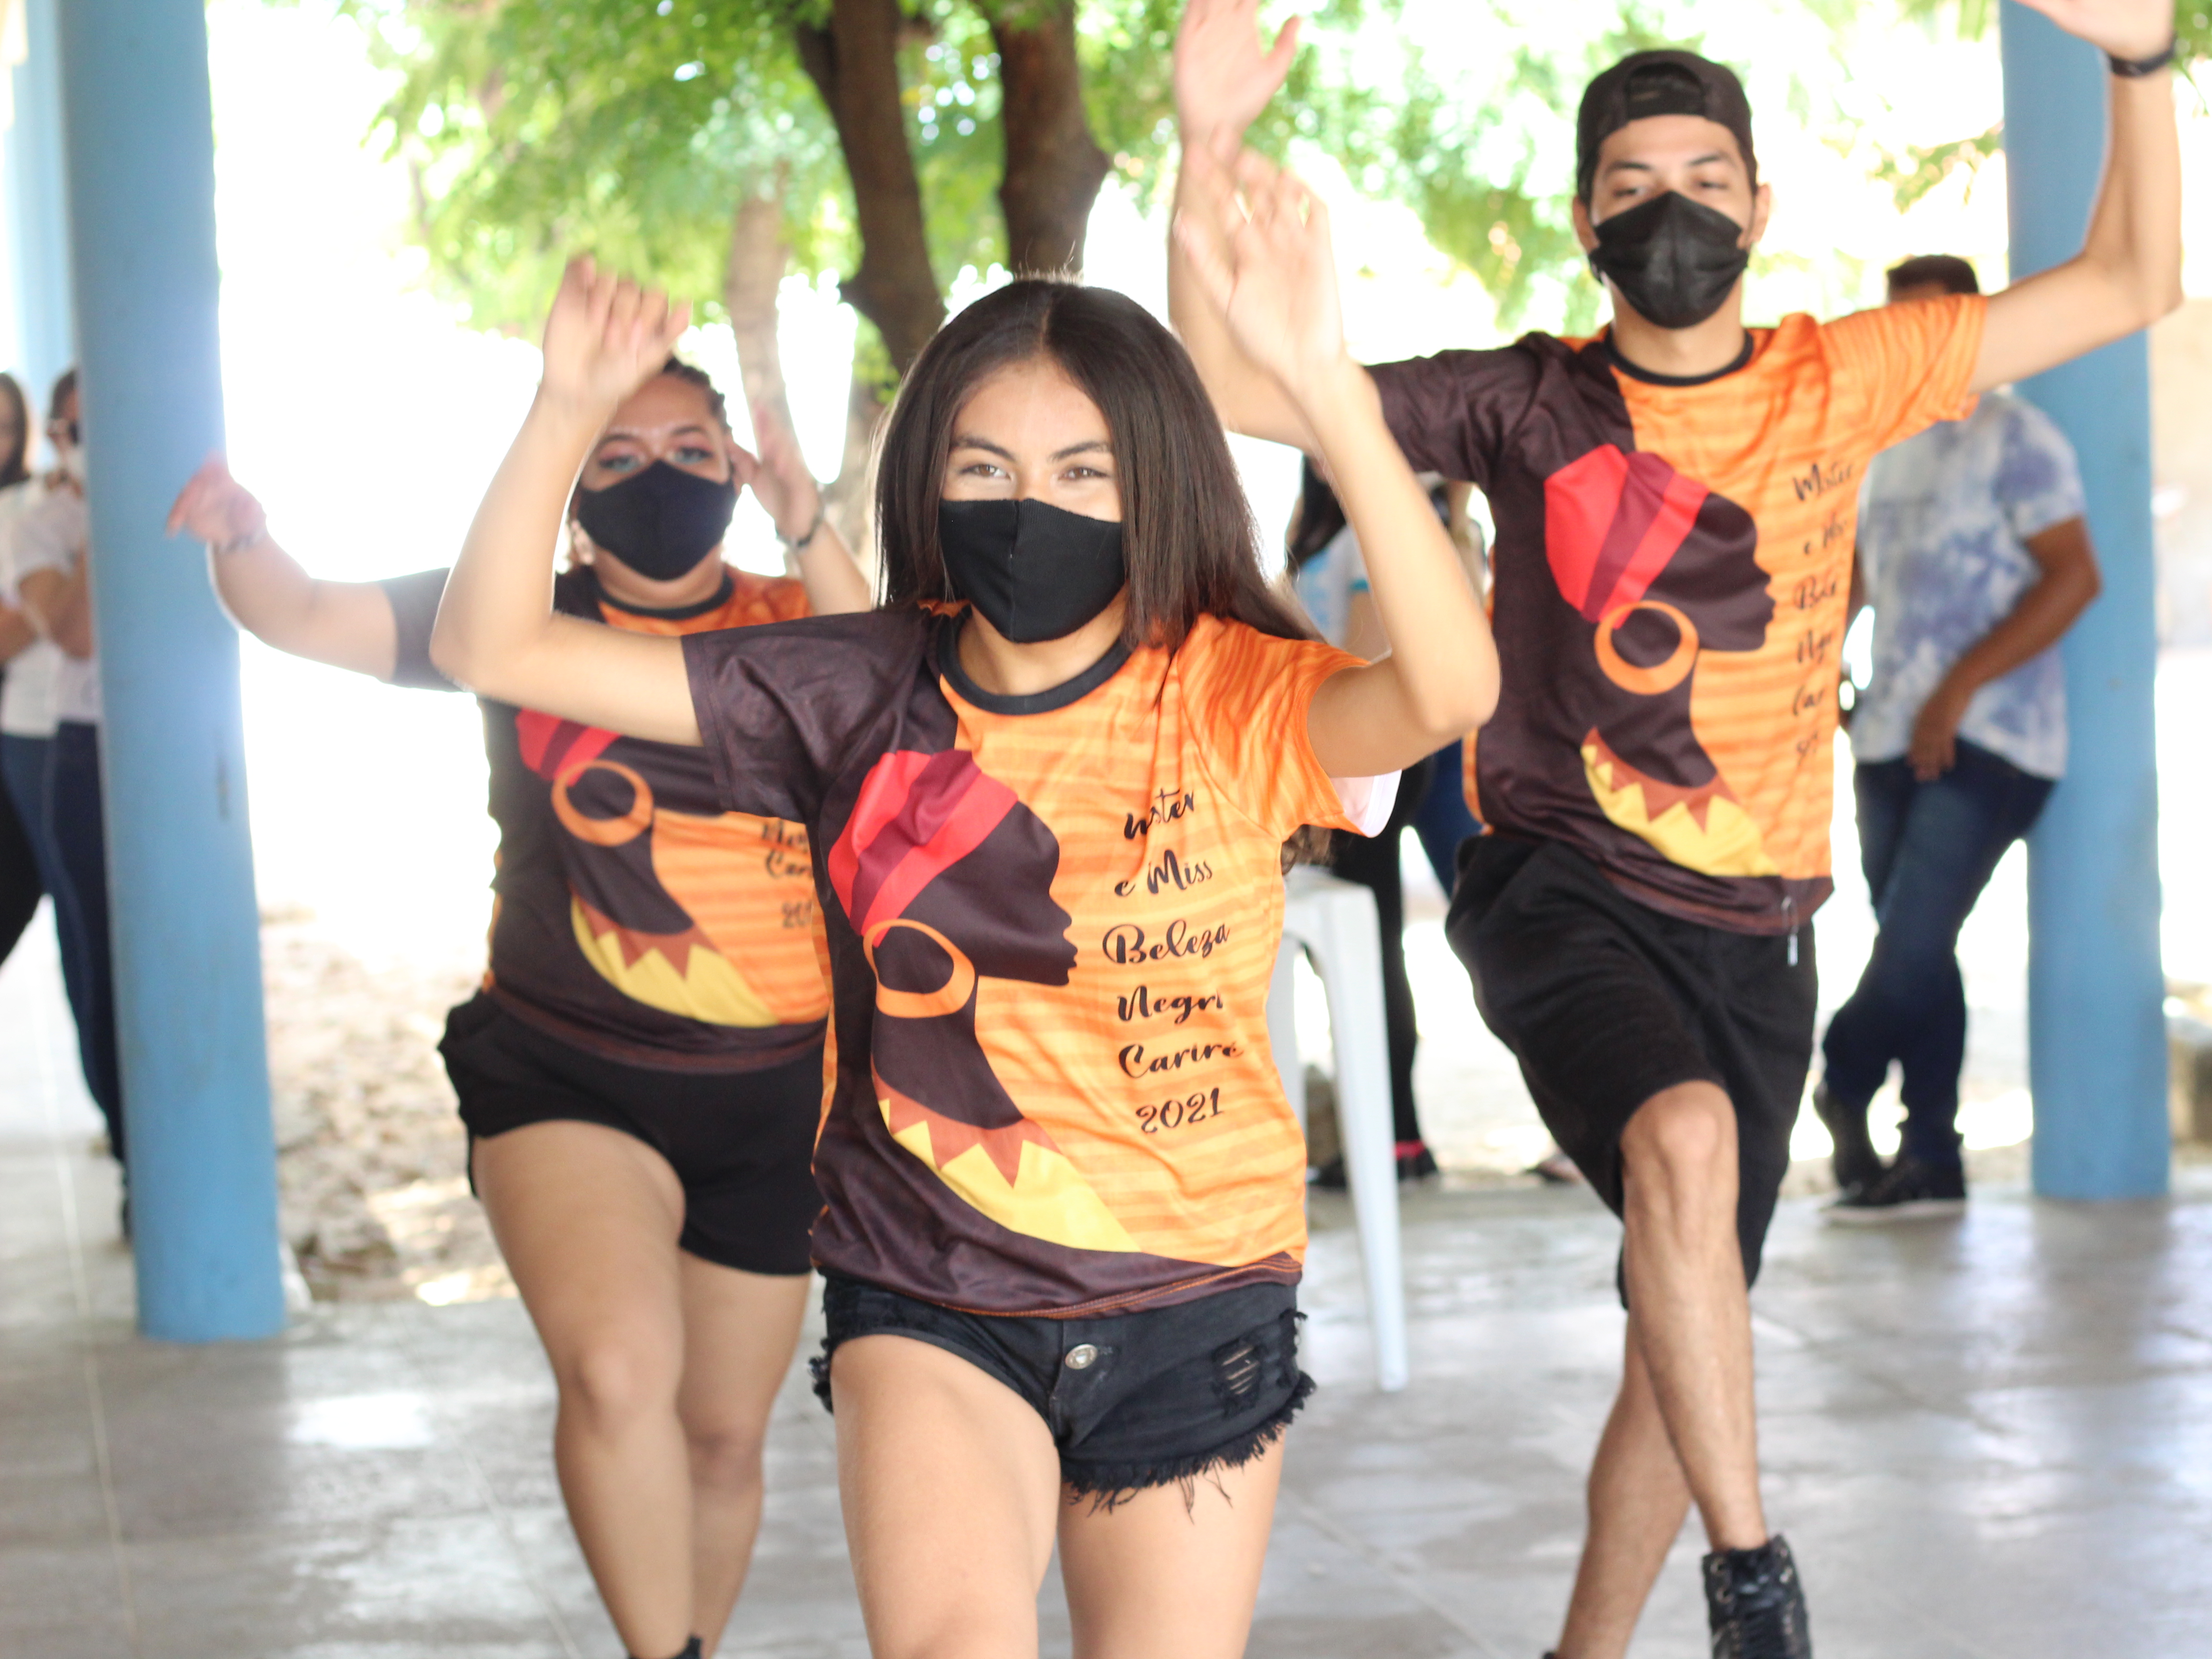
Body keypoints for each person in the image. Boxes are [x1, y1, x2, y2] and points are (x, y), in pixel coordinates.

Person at [1166, 1, 2181, 1652]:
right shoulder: (1525, 401)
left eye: (1707, 180)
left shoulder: (1843, 375)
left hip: (1763, 932)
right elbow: (1224, 379)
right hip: (1559, 884)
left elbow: (2132, 280)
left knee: (1676, 1335)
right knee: (1687, 1143)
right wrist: (1205, 145)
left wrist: (2140, 62)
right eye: (1632, 184)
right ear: (1585, 220)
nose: (1673, 211)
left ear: (1761, 207)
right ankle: (1756, 1585)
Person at [426, 159, 1496, 1657]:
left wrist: (1327, 390)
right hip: (929, 1278)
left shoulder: (1233, 690)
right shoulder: (851, 687)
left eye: (1083, 473)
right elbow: (494, 645)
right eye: (983, 470)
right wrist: (562, 411)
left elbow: (1451, 689)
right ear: (927, 481)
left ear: (1156, 486)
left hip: (1194, 1288)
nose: (1027, 506)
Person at [165, 358, 870, 1659]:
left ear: (736, 466)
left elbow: (886, 703)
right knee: (616, 1370)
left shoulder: (791, 617)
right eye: (616, 454)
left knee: (723, 1436)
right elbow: (303, 612)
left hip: (775, 1099)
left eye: (690, 449)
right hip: (567, 1073)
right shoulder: (515, 618)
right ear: (575, 486)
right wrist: (241, 537)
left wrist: (806, 519)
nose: (657, 475)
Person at [1818, 255, 2100, 1219]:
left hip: (1991, 740)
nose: (1914, 346)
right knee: (1920, 948)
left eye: (1931, 325)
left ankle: (1839, 1074)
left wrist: (1956, 690)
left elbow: (2075, 577)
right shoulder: (1879, 445)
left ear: (1973, 327)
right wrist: (1823, 672)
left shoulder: (2019, 438)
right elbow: (1855, 578)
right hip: (1886, 737)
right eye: (1898, 326)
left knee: (1911, 942)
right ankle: (1932, 1154)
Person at [1285, 458, 1457, 1183]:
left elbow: (1358, 656)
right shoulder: (1317, 528)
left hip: (1357, 758)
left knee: (1368, 947)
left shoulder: (1371, 526)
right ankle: (1388, 1137)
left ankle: (1393, 1140)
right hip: (1327, 754)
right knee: (1356, 948)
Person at [8, 371, 123, 1169]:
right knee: (95, 956)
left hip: (161, 752)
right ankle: (129, 1143)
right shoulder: (42, 525)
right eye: (81, 433)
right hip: (60, 744)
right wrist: (100, 523)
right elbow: (74, 636)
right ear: (57, 437)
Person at [0, 373, 48, 966]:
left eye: (7, 428)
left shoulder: (35, 504)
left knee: (17, 879)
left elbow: (29, 622)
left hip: (20, 719)